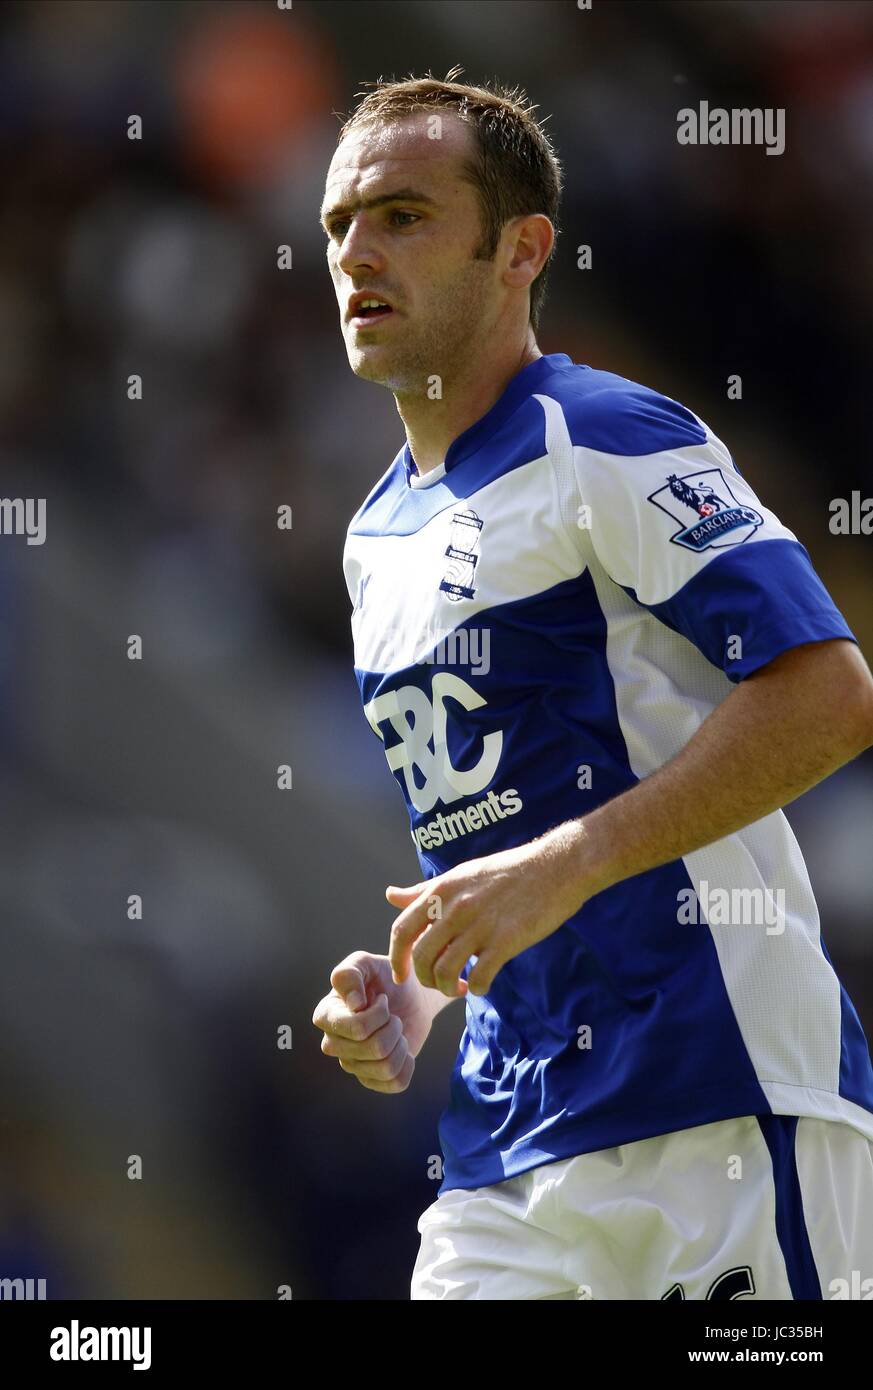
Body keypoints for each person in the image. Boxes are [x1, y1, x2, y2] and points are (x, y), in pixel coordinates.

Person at [311, 68, 873, 1300]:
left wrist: (560, 867)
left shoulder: (605, 437)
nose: (359, 250)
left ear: (521, 249)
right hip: (507, 1150)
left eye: (404, 215)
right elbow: (498, 838)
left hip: (717, 1101)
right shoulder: (370, 543)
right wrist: (414, 989)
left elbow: (830, 692)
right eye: (341, 222)